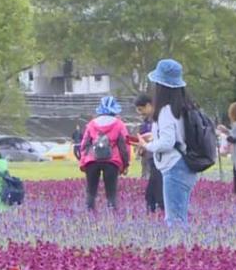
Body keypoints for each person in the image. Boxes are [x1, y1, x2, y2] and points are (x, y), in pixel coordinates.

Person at [137, 58, 198, 227]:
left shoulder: (166, 110)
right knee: (180, 217)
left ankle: (182, 251)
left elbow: (167, 142)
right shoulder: (185, 106)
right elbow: (177, 135)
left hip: (174, 166)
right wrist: (154, 136)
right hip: (186, 165)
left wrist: (147, 146)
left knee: (174, 220)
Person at [79, 95, 130, 211]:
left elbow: (84, 144)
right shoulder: (119, 124)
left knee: (91, 191)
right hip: (112, 161)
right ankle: (112, 217)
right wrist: (126, 164)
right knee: (111, 192)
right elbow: (124, 146)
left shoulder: (91, 124)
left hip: (92, 161)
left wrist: (83, 161)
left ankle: (89, 214)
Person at [134, 94, 164, 213]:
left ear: (148, 105)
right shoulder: (146, 122)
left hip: (160, 159)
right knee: (151, 193)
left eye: (141, 110)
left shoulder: (159, 119)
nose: (140, 113)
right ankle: (153, 214)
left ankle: (161, 214)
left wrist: (150, 140)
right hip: (151, 159)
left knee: (157, 191)